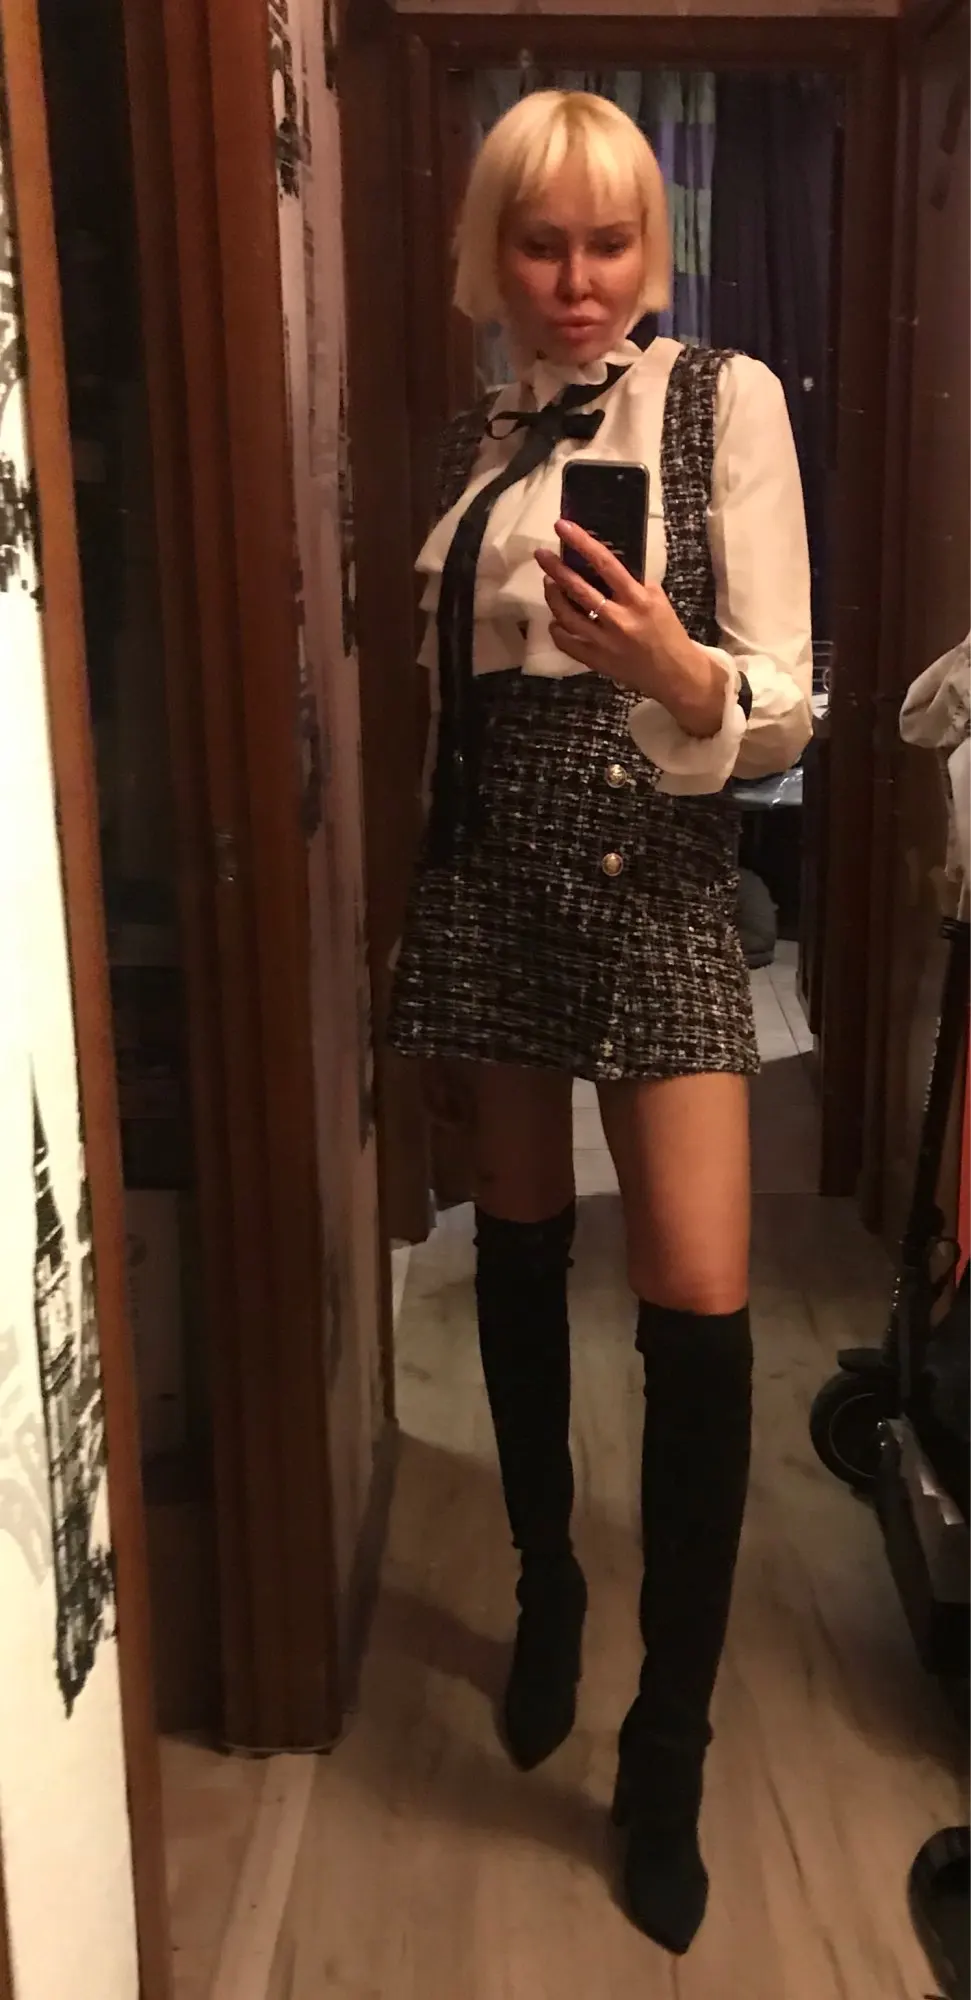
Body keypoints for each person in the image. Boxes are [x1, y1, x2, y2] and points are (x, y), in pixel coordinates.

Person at [388, 89, 812, 1954]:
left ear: (654, 250)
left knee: (698, 1311)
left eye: (609, 241)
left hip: (654, 877)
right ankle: (548, 1582)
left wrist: (673, 669)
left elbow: (787, 701)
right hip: (489, 877)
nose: (576, 279)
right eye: (541, 243)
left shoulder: (725, 402)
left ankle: (667, 1746)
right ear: (491, 256)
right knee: (515, 1253)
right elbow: (452, 714)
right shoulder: (479, 441)